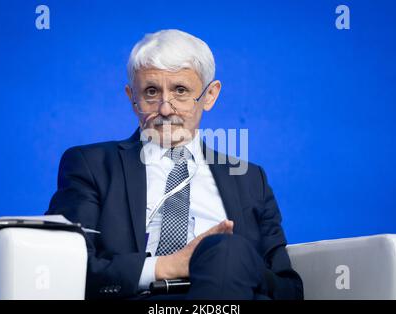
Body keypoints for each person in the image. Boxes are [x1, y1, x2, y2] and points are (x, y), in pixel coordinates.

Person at [46, 29, 303, 300]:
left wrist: (225, 263)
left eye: (180, 90)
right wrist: (167, 266)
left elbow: (289, 290)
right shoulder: (92, 166)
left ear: (210, 95)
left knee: (226, 251)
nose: (165, 109)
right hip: (144, 299)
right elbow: (68, 267)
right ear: (132, 98)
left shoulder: (251, 179)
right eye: (151, 92)